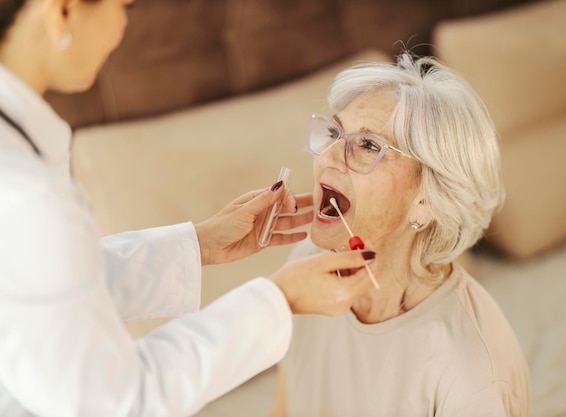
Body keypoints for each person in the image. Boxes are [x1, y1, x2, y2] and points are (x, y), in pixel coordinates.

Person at [0, 0, 377, 416]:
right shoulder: (26, 194)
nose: (123, 23)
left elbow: (43, 283)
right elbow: (118, 403)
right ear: (63, 11)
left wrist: (200, 245)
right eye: (123, 4)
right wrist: (279, 300)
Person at [269, 53, 531, 417]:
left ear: (427, 199)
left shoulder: (469, 377)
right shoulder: (307, 268)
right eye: (335, 133)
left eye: (368, 145)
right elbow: (286, 407)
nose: (328, 157)